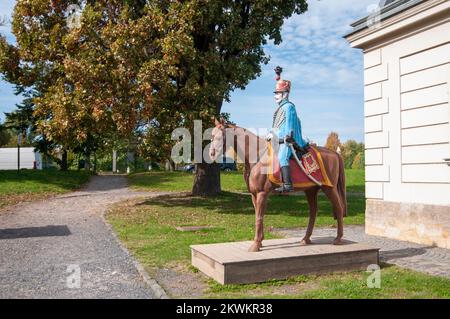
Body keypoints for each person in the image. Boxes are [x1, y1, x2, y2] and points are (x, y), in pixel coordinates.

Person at [266, 66, 308, 193]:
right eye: (276, 94)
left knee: (282, 157)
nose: (275, 96)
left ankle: (288, 184)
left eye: (278, 93)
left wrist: (280, 137)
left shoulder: (289, 107)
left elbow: (289, 127)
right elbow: (277, 125)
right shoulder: (279, 109)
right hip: (279, 138)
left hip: (287, 140)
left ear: (285, 94)